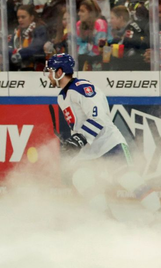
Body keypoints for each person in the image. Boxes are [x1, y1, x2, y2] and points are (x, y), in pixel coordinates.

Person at [45, 53, 161, 218]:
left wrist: (80, 138)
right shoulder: (61, 97)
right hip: (89, 149)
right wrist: (73, 141)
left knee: (127, 178)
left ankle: (158, 213)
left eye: (50, 71)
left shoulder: (82, 87)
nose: (48, 75)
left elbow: (98, 116)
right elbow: (79, 125)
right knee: (80, 177)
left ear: (60, 72)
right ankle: (107, 219)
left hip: (109, 143)